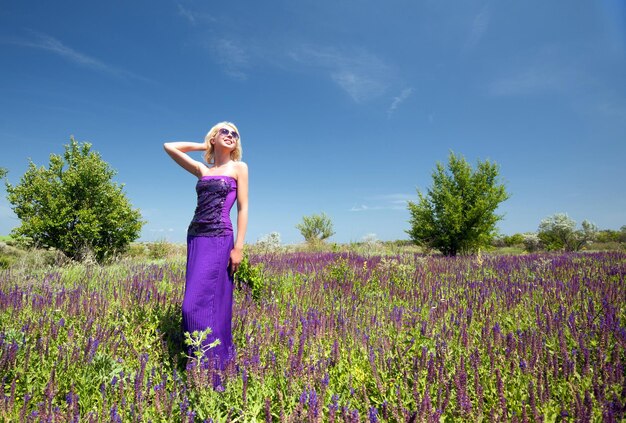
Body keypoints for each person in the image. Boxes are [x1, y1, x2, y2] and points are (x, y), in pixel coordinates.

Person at [163, 122, 248, 381]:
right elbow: (170, 147)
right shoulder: (203, 169)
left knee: (197, 304)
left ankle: (214, 363)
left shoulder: (239, 168)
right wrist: (205, 144)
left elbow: (243, 208)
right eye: (225, 132)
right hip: (196, 237)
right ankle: (198, 363)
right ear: (214, 138)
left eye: (235, 134)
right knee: (193, 300)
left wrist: (239, 247)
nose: (231, 136)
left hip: (220, 237)